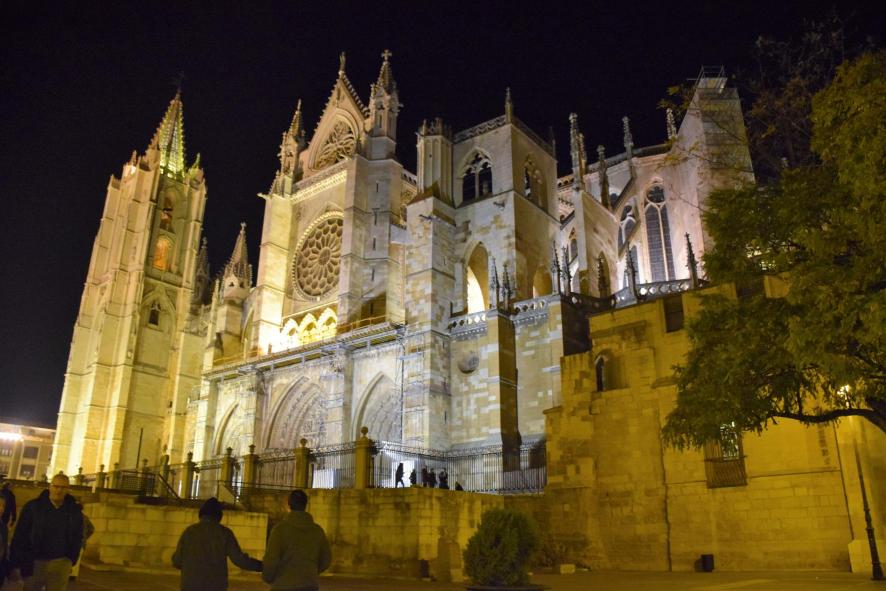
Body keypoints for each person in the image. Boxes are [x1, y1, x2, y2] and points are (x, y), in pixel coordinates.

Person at [8, 473, 84, 591]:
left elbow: (78, 536)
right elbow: (20, 534)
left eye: (63, 487)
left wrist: (71, 559)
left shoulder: (74, 510)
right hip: (35, 561)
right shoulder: (33, 507)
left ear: (68, 489)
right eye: (56, 486)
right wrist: (16, 561)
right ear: (50, 486)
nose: (59, 490)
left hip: (61, 562)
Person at [172, 497, 261, 591]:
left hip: (190, 586)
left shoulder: (189, 532)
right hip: (214, 586)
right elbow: (239, 560)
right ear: (219, 516)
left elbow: (177, 561)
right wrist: (262, 566)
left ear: (201, 514)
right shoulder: (225, 533)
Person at [263, 489, 331, 591]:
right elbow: (326, 559)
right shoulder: (317, 531)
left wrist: (268, 577)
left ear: (288, 505)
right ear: (305, 505)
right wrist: (310, 572)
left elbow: (271, 560)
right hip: (309, 585)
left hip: (283, 585)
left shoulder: (280, 530)